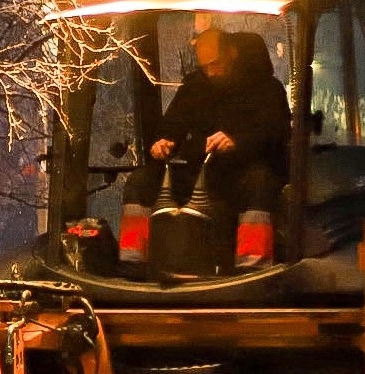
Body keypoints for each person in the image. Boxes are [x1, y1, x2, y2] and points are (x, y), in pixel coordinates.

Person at [120, 27, 289, 271]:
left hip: (243, 174)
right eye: (205, 66)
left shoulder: (268, 90)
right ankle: (132, 265)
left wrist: (238, 141)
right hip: (197, 175)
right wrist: (162, 142)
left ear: (232, 53)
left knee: (260, 182)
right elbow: (170, 126)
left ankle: (252, 266)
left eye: (215, 64)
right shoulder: (194, 88)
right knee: (140, 181)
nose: (211, 72)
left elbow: (276, 135)